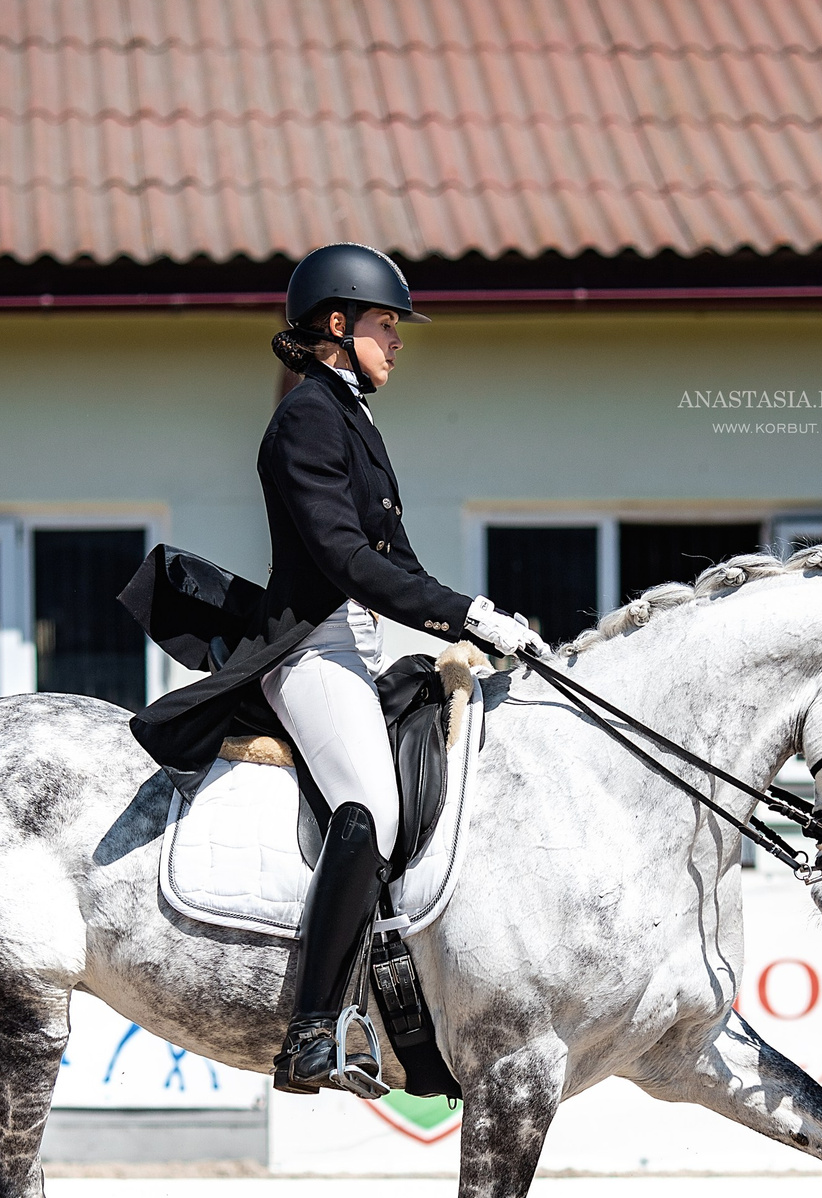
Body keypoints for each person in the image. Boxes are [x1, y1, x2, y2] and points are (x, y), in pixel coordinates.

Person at [126, 243, 550, 1095]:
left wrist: (472, 625)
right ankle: (312, 1030)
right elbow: (348, 560)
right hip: (311, 645)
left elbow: (397, 558)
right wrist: (461, 611)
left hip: (363, 642)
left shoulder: (354, 415)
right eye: (386, 325)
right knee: (371, 804)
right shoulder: (306, 419)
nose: (397, 342)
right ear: (336, 324)